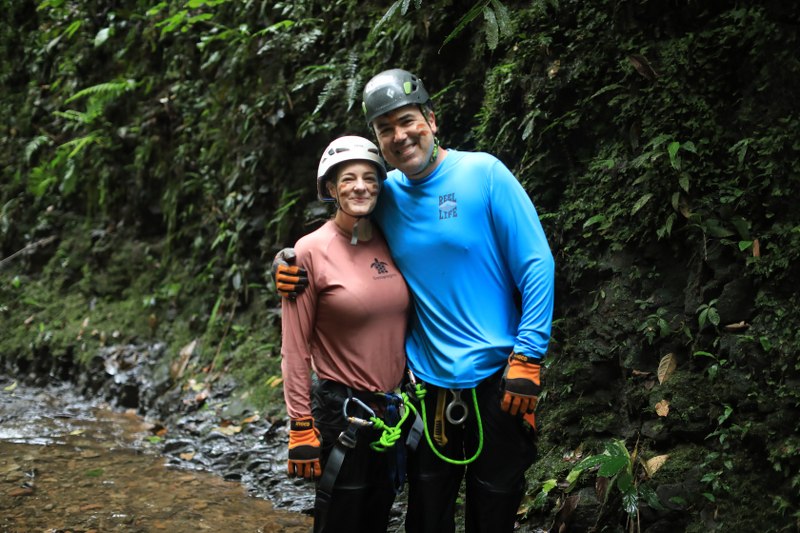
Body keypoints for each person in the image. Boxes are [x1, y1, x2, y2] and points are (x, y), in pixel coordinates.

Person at [275, 69, 555, 533]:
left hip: (499, 376)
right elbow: (342, 236)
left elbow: (536, 263)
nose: (400, 136)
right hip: (426, 389)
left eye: (407, 121)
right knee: (425, 517)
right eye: (386, 129)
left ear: (432, 119)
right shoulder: (386, 196)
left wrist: (529, 354)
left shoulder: (483, 173)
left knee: (494, 506)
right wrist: (285, 261)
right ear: (379, 142)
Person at [279, 135, 411, 533]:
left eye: (370, 177)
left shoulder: (393, 241)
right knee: (340, 519)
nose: (360, 186)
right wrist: (300, 424)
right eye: (348, 178)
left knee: (377, 518)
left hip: (393, 411)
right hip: (343, 414)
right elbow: (295, 346)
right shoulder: (308, 252)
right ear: (331, 189)